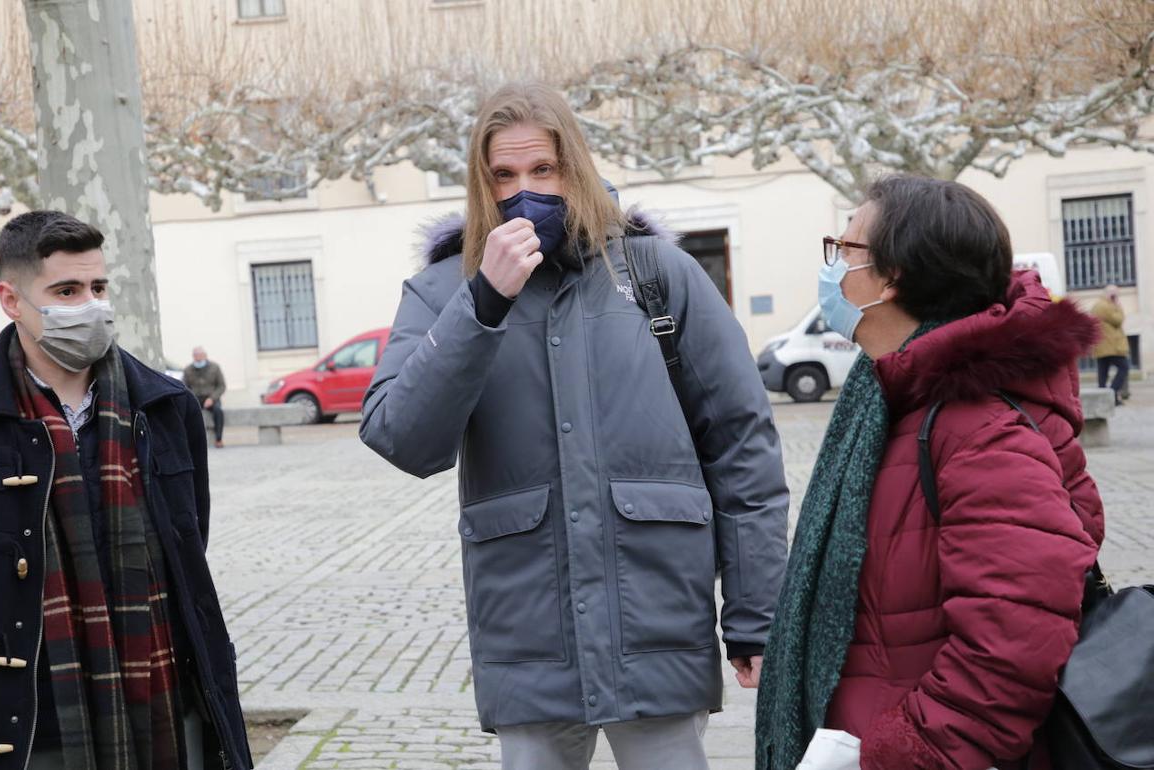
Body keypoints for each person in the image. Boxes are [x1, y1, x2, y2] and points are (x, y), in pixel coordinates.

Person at [360, 81, 789, 770]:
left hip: (656, 624)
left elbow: (742, 447)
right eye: (503, 175)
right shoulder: (444, 289)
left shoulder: (656, 273)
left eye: (542, 170)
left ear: (575, 167)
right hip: (529, 637)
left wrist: (756, 613)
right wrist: (483, 304)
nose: (523, 191)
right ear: (481, 182)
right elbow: (401, 438)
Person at [755, 175, 1104, 770]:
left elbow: (1015, 642)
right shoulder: (895, 394)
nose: (834, 268)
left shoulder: (976, 429)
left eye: (846, 250)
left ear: (896, 276)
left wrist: (903, 751)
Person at [0, 211, 252, 770]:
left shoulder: (166, 408)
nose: (89, 306)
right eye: (66, 290)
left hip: (161, 700)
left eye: (97, 287)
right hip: (25, 719)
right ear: (12, 300)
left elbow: (188, 542)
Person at [1091, 284, 1130, 405]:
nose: (1117, 297)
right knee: (1124, 367)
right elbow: (1118, 320)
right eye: (1116, 294)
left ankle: (1103, 399)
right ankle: (1111, 394)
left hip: (1101, 345)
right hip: (1112, 345)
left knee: (1103, 373)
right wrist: (1118, 307)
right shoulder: (1106, 306)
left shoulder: (1097, 305)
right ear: (1110, 294)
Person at [184, 346, 227, 446]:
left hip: (211, 398)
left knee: (218, 411)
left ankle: (219, 439)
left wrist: (212, 398)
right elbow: (185, 387)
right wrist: (191, 398)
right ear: (193, 357)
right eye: (196, 356)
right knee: (187, 412)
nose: (198, 359)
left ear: (205, 356)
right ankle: (191, 440)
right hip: (195, 398)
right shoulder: (187, 370)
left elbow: (221, 386)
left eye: (200, 356)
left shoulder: (215, 367)